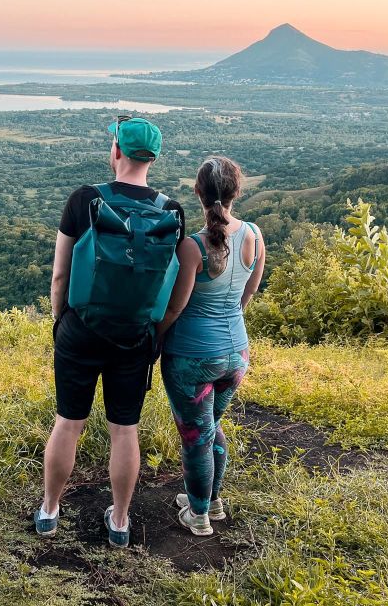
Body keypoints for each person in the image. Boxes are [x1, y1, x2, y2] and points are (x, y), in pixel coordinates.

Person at [34, 116, 184, 548]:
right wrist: (154, 332)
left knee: (68, 423)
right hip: (136, 335)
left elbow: (60, 277)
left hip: (81, 330)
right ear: (153, 158)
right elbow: (168, 283)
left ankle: (49, 511)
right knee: (124, 429)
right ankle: (119, 521)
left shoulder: (84, 200)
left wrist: (61, 323)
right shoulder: (171, 211)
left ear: (116, 150)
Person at [155, 156, 264, 536]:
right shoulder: (254, 235)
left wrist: (154, 338)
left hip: (192, 356)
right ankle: (211, 501)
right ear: (237, 192)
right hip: (237, 353)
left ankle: (198, 515)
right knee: (210, 426)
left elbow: (175, 307)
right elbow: (248, 294)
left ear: (197, 191)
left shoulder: (192, 247)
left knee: (195, 437)